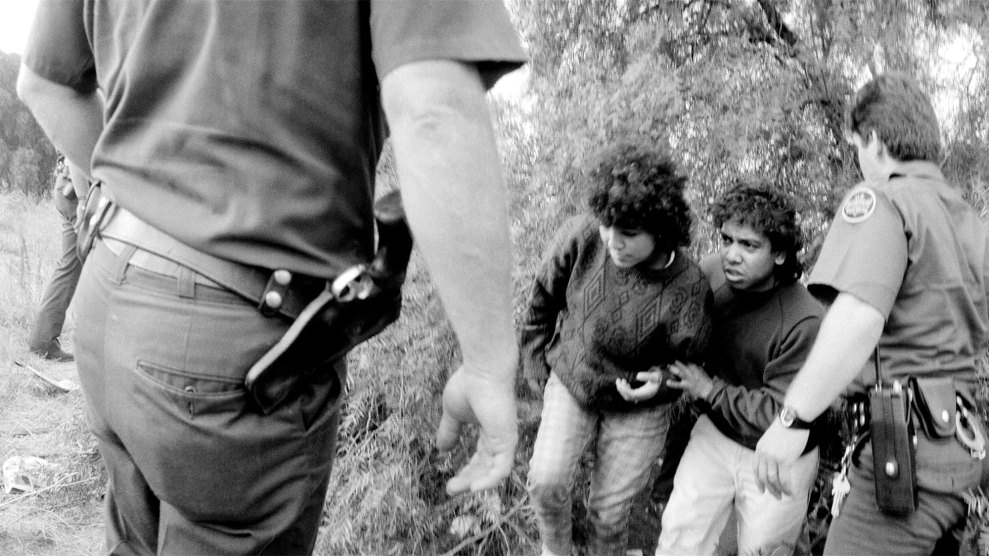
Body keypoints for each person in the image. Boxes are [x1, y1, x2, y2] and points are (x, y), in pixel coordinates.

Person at [17, 1, 526, 554]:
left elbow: (44, 84)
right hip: (233, 349)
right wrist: (486, 363)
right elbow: (434, 112)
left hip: (111, 295)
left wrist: (151, 209)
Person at [753, 72, 989, 555]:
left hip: (906, 458)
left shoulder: (882, 200)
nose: (859, 160)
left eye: (857, 146)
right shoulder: (970, 222)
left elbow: (858, 319)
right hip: (960, 450)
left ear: (875, 140)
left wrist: (791, 421)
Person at [521, 140, 712, 556]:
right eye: (607, 226)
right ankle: (557, 551)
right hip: (576, 379)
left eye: (628, 234)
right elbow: (542, 299)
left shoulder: (689, 286)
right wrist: (535, 359)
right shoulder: (583, 237)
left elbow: (690, 361)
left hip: (639, 410)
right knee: (547, 481)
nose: (612, 242)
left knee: (608, 513)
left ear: (661, 230)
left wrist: (660, 384)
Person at [636, 185, 824, 555]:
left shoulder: (804, 319)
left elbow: (781, 414)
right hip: (717, 433)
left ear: (781, 254)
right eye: (727, 240)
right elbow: (682, 346)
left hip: (780, 453)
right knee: (679, 535)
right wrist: (661, 377)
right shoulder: (709, 276)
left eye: (749, 246)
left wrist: (710, 390)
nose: (731, 255)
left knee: (764, 549)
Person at [27, 158, 89, 362]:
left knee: (69, 268)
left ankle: (42, 342)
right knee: (106, 266)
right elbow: (76, 155)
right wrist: (83, 202)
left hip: (68, 190)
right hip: (77, 196)